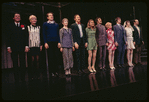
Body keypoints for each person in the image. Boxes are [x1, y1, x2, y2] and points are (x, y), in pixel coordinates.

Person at [7, 12, 29, 83]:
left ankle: (23, 78)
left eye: (19, 16)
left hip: (22, 47)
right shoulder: (10, 26)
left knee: (22, 63)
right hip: (13, 47)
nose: (17, 17)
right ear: (13, 18)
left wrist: (26, 46)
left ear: (20, 18)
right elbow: (8, 37)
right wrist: (8, 47)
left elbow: (26, 36)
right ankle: (16, 78)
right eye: (16, 16)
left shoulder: (23, 25)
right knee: (15, 63)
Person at [42, 12, 61, 77]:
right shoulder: (45, 24)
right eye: (50, 16)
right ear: (47, 17)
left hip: (55, 41)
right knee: (51, 57)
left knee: (56, 57)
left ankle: (56, 71)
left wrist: (59, 42)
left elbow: (58, 33)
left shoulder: (56, 24)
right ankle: (52, 71)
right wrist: (45, 42)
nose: (51, 16)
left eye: (52, 15)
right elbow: (44, 33)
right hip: (49, 42)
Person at [27, 15, 43, 79]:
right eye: (32, 19)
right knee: (32, 60)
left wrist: (41, 45)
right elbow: (26, 37)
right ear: (30, 20)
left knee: (37, 60)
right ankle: (32, 74)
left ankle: (37, 74)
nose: (34, 20)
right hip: (31, 45)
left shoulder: (39, 27)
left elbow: (41, 36)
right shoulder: (28, 27)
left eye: (35, 19)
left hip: (37, 45)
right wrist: (27, 46)